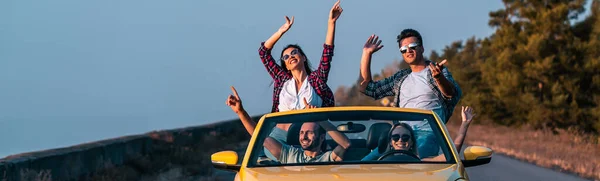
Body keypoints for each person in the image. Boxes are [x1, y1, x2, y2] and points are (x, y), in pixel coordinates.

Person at [258, 0, 343, 159]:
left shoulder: (316, 80)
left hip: (310, 141)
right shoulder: (282, 80)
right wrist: (281, 31)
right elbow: (263, 52)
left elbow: (327, 55)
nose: (290, 57)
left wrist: (331, 23)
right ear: (285, 65)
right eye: (285, 57)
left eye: (294, 53)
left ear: (303, 57)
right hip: (278, 138)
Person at [358, 29, 462, 158]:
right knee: (365, 163)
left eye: (413, 46)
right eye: (404, 49)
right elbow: (367, 88)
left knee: (416, 165)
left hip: (427, 133)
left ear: (422, 48)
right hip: (400, 135)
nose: (408, 51)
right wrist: (366, 54)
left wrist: (439, 78)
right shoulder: (401, 78)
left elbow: (451, 94)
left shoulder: (436, 71)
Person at [225, 86, 351, 164]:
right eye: (302, 133)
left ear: (322, 137)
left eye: (309, 132)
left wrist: (318, 117)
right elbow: (258, 135)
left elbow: (346, 144)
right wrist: (240, 112)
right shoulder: (291, 155)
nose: (304, 136)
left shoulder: (327, 158)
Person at [361, 106, 476, 161]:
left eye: (405, 137)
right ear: (390, 141)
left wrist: (464, 125)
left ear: (411, 142)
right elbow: (359, 166)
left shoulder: (421, 161)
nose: (400, 140)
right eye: (395, 137)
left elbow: (451, 155)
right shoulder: (377, 161)